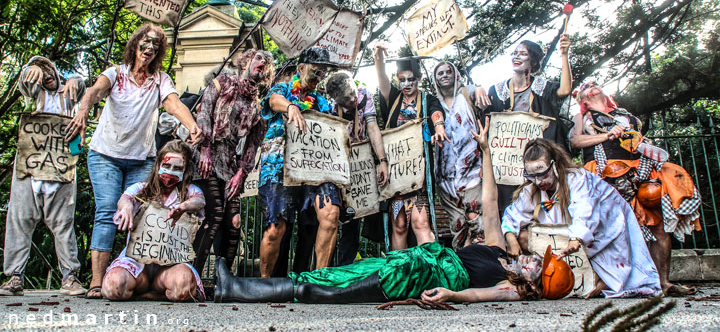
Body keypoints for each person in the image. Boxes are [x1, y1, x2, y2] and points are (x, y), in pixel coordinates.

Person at [212, 118, 575, 304]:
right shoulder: (500, 248)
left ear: (534, 283)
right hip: (425, 257)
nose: (532, 259)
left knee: (341, 286)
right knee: (348, 272)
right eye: (536, 259)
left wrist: (451, 296)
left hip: (431, 275)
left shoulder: (509, 287)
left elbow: (479, 295)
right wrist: (486, 151)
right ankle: (238, 287)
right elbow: (493, 203)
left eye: (537, 267)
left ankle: (240, 290)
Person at [65, 23, 202, 298]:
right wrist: (82, 111)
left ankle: (138, 277)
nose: (149, 48)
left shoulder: (160, 80)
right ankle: (96, 281)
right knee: (107, 212)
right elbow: (94, 91)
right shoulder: (116, 74)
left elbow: (173, 103)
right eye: (145, 42)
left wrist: (192, 125)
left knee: (143, 214)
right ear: (135, 44)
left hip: (140, 159)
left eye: (155, 45)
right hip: (105, 155)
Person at [570, 81, 701, 296]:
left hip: (640, 170)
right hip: (604, 171)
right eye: (586, 86)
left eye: (595, 84)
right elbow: (575, 142)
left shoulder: (625, 114)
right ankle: (607, 282)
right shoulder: (582, 117)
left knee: (657, 224)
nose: (592, 85)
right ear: (582, 99)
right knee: (607, 229)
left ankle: (663, 282)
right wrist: (608, 135)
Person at [500, 138, 662, 298]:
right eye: (532, 176)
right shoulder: (532, 190)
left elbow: (584, 210)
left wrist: (576, 238)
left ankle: (601, 278)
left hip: (603, 231)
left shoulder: (578, 179)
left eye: (542, 174)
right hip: (565, 238)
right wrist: (510, 238)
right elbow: (512, 215)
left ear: (554, 165)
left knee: (607, 278)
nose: (538, 181)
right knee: (522, 237)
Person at [0, 56, 87, 296]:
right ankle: (14, 277)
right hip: (29, 171)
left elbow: (81, 87)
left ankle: (70, 277)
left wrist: (75, 80)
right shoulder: (33, 96)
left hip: (60, 171)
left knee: (63, 224)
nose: (46, 74)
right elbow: (25, 81)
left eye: (49, 68)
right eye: (42, 70)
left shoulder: (69, 97)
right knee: (19, 221)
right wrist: (31, 69)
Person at [257, 46, 341, 277]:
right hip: (278, 167)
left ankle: (319, 280)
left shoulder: (322, 102)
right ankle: (265, 283)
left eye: (323, 73)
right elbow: (273, 101)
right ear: (301, 68)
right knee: (276, 228)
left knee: (331, 213)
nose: (319, 77)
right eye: (315, 71)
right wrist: (291, 106)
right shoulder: (283, 89)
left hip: (315, 169)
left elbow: (332, 129)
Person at [191, 49, 273, 274]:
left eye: (267, 62)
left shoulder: (257, 105)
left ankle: (223, 281)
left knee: (234, 223)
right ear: (246, 61)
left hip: (229, 164)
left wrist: (240, 174)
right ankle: (192, 276)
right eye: (258, 58)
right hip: (205, 157)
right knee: (214, 215)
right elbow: (205, 112)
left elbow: (252, 146)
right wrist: (205, 149)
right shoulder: (223, 82)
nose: (263, 62)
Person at [101, 141, 206, 301]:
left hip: (170, 265)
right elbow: (125, 198)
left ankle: (149, 294)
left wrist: (183, 207)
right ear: (158, 166)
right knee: (113, 287)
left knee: (182, 286)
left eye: (177, 168)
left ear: (185, 171)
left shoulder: (189, 192)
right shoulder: (141, 189)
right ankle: (151, 294)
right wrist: (127, 207)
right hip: (136, 263)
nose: (170, 172)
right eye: (167, 165)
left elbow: (199, 201)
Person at [480, 35, 572, 215]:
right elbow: (488, 127)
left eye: (523, 54)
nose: (516, 57)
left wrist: (564, 55)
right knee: (508, 208)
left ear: (533, 60)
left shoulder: (543, 88)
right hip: (507, 165)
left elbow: (565, 90)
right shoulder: (497, 92)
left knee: (540, 207)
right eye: (514, 53)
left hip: (537, 162)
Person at [373, 44, 445, 250]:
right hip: (395, 172)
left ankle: (430, 266)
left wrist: (438, 125)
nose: (406, 83)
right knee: (399, 225)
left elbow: (436, 111)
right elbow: (382, 79)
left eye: (410, 79)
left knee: (420, 222)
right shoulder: (393, 99)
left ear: (418, 79)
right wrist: (379, 59)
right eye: (402, 79)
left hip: (418, 173)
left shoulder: (427, 99)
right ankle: (400, 270)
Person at [325, 73, 389, 265]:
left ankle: (381, 260)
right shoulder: (328, 108)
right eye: (346, 98)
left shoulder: (364, 95)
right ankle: (335, 267)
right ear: (336, 99)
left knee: (365, 212)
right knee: (341, 218)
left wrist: (382, 160)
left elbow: (372, 127)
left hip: (363, 164)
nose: (353, 99)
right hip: (338, 165)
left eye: (353, 93)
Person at [431, 61, 485, 249]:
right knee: (458, 225)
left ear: (456, 75)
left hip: (472, 172)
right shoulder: (434, 103)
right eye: (440, 73)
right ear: (435, 79)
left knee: (477, 220)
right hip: (445, 177)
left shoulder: (466, 95)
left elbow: (476, 93)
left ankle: (483, 264)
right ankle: (463, 266)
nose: (444, 75)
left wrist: (478, 87)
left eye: (448, 72)